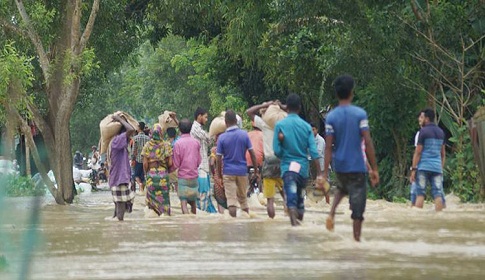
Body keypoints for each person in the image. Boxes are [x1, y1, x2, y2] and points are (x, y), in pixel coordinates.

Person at [323, 75, 379, 241]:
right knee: (357, 209)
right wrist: (374, 168)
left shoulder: (331, 117)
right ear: (352, 92)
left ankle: (332, 212)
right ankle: (356, 241)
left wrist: (324, 173)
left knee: (342, 188)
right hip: (356, 166)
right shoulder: (360, 114)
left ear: (337, 94)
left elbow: (328, 146)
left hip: (339, 165)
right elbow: (367, 142)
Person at [273, 94, 324, 226]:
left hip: (288, 168)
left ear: (287, 108)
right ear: (300, 108)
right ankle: (298, 218)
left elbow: (276, 151)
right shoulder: (306, 127)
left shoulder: (280, 125)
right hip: (302, 169)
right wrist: (319, 173)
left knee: (290, 194)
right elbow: (313, 152)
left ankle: (294, 224)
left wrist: (283, 145)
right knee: (300, 197)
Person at [246, 101, 287, 218]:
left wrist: (264, 105)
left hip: (269, 162)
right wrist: (281, 106)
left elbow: (249, 112)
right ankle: (289, 223)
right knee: (286, 196)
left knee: (270, 201)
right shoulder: (283, 123)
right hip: (282, 161)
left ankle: (271, 224)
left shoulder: (264, 123)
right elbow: (293, 110)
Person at [216, 110, 259, 218]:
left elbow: (218, 158)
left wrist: (219, 175)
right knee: (243, 200)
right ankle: (245, 222)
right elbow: (252, 154)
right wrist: (256, 171)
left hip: (228, 172)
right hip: (242, 171)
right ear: (236, 121)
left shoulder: (222, 138)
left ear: (225, 123)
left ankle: (233, 225)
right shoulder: (244, 135)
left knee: (231, 201)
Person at [410, 108, 445, 211]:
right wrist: (440, 168)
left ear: (427, 118)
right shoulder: (441, 132)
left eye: (423, 117)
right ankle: (439, 218)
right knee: (438, 194)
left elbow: (418, 152)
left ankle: (418, 219)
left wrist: (413, 169)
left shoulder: (423, 132)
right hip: (437, 168)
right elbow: (443, 154)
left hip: (423, 167)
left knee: (420, 194)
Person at [141, 123, 173, 216]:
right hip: (163, 176)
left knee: (151, 204)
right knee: (164, 203)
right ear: (161, 133)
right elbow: (170, 163)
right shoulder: (166, 145)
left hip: (151, 175)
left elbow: (145, 164)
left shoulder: (147, 145)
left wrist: (146, 174)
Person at [109, 114, 136, 221]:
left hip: (120, 179)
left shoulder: (119, 142)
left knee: (118, 210)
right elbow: (131, 129)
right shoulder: (117, 140)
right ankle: (120, 232)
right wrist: (120, 119)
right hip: (119, 180)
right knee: (120, 213)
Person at [190, 107, 217, 213]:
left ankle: (207, 214)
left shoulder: (199, 128)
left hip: (203, 166)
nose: (206, 119)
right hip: (200, 166)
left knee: (206, 194)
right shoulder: (195, 128)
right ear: (199, 116)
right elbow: (208, 138)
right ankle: (204, 214)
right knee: (203, 193)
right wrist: (215, 133)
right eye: (205, 117)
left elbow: (209, 142)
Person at [173, 119, 201, 214]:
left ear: (179, 130)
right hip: (194, 177)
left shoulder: (178, 143)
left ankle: (186, 222)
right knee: (193, 203)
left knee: (183, 203)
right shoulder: (196, 142)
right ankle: (193, 224)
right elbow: (199, 161)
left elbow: (176, 164)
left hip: (183, 177)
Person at [310, 122, 330, 204]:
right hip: (314, 165)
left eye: (313, 130)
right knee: (316, 184)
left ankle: (327, 202)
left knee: (324, 184)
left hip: (322, 165)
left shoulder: (320, 140)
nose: (312, 132)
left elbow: (318, 153)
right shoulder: (310, 140)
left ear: (316, 130)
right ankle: (316, 202)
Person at [245, 123, 263, 195]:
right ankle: (260, 191)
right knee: (260, 173)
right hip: (258, 159)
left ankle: (250, 187)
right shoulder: (263, 135)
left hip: (247, 158)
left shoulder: (248, 134)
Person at [132, 122, 150, 194]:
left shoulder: (135, 138)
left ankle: (140, 185)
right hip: (146, 160)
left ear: (139, 128)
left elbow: (134, 150)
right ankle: (142, 189)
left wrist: (132, 159)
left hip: (138, 160)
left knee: (136, 175)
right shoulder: (148, 138)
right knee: (144, 175)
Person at [167, 127, 180, 192]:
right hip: (177, 164)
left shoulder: (169, 143)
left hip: (173, 164)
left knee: (175, 182)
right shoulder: (178, 140)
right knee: (176, 182)